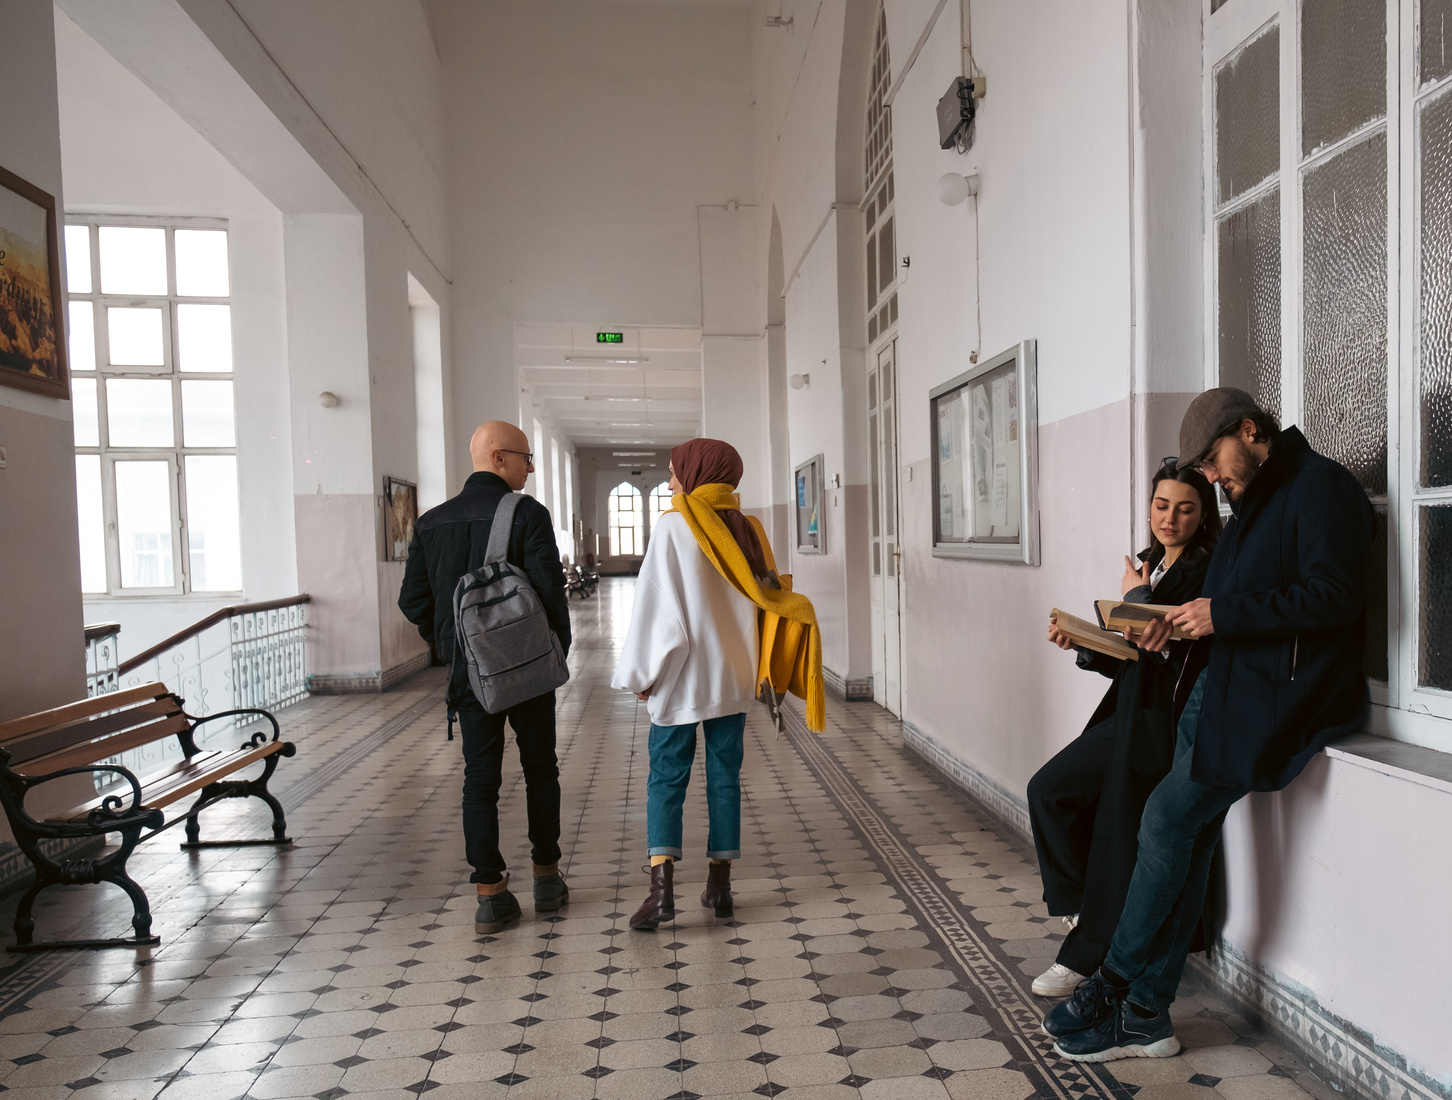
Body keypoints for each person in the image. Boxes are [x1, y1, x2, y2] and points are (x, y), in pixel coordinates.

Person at [1046, 388, 1374, 1062]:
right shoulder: (1257, 495)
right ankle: (1145, 1015)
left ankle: (1112, 986)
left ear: (1249, 430)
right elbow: (1235, 603)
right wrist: (1182, 625)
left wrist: (1220, 614)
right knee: (1184, 836)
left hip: (1275, 700)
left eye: (1215, 462)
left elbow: (1336, 595)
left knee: (1166, 821)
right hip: (1221, 690)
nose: (1214, 477)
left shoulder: (1322, 488)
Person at [611, 438, 822, 931]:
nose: (670, 483)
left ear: (696, 472)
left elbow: (658, 612)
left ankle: (660, 891)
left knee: (666, 779)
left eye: (674, 473)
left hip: (683, 681)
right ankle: (720, 886)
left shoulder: (675, 526)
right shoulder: (749, 530)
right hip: (733, 677)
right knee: (725, 779)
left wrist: (643, 677)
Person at [1027, 460, 1221, 998]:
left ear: (1203, 514)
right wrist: (1086, 645)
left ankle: (1088, 954)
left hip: (1164, 723)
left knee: (1121, 838)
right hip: (1127, 711)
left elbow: (1178, 657)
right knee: (1050, 790)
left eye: (1185, 508)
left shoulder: (1205, 571)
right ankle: (1081, 910)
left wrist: (1136, 602)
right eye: (1162, 506)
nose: (1170, 518)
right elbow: (1134, 654)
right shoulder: (1151, 564)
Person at [398, 420, 572, 934]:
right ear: (498, 458)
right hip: (527, 669)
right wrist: (554, 653)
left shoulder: (430, 523)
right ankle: (546, 877)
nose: (530, 467)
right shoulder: (527, 515)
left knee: (480, 781)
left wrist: (456, 645)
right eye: (524, 457)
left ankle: (490, 893)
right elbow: (549, 590)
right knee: (541, 767)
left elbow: (412, 601)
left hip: (469, 677)